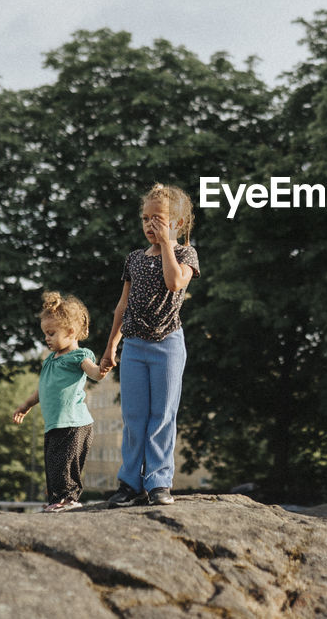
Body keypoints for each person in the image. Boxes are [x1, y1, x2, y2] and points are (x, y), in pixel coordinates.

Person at [100, 183, 199, 507]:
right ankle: (130, 484)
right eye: (145, 219)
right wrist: (111, 345)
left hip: (168, 345)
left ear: (178, 224)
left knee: (162, 415)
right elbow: (122, 306)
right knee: (134, 417)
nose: (149, 225)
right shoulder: (134, 260)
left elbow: (174, 282)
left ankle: (158, 482)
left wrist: (168, 244)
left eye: (158, 219)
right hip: (135, 347)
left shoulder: (185, 254)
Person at [12, 291, 107, 512]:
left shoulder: (78, 355)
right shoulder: (49, 360)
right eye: (45, 333)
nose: (47, 338)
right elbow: (43, 389)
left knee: (65, 464)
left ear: (71, 332)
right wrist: (25, 406)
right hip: (56, 423)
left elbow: (93, 372)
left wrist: (101, 371)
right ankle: (57, 500)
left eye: (52, 333)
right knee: (53, 464)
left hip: (74, 423)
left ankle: (68, 500)